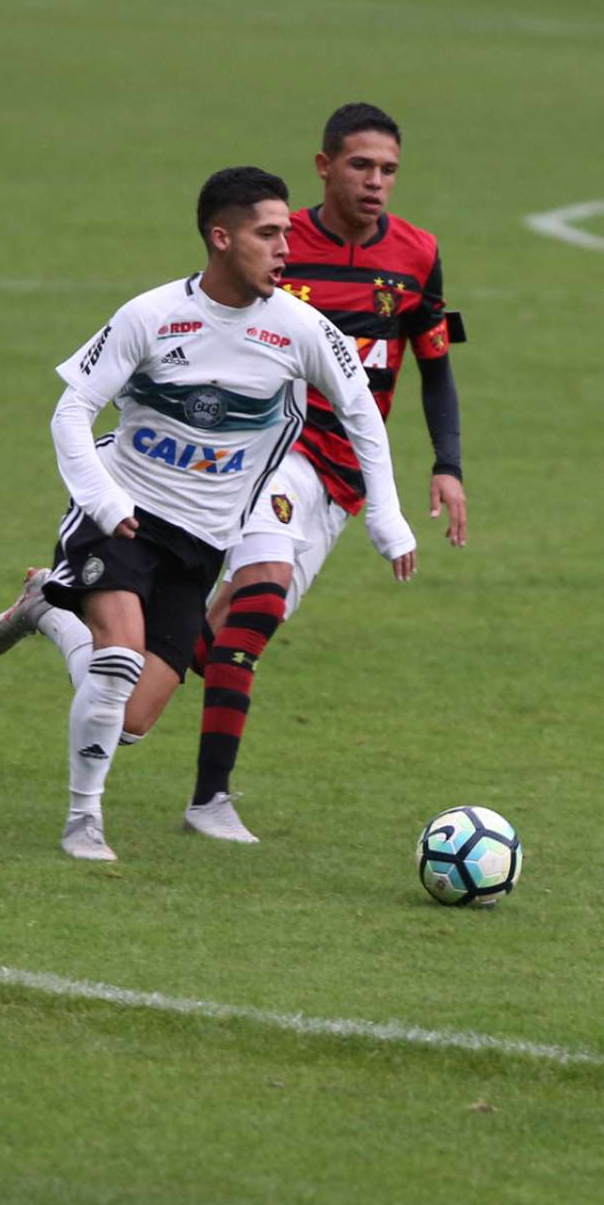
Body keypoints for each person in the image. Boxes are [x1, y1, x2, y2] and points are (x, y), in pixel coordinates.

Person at [0, 167, 417, 862]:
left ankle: (47, 609)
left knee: (131, 717)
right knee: (118, 659)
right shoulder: (150, 316)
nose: (284, 249)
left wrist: (386, 518)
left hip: (203, 539)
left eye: (285, 234)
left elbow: (363, 412)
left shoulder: (300, 329)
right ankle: (82, 821)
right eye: (268, 234)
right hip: (122, 513)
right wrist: (100, 498)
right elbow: (71, 412)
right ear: (222, 237)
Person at [184, 102, 469, 841]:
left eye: (389, 170)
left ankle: (81, 620)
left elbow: (435, 365)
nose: (376, 182)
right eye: (361, 166)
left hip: (345, 479)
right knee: (257, 607)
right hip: (273, 453)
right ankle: (210, 800)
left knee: (226, 636)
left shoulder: (416, 253)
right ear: (324, 166)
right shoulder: (275, 242)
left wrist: (447, 464)